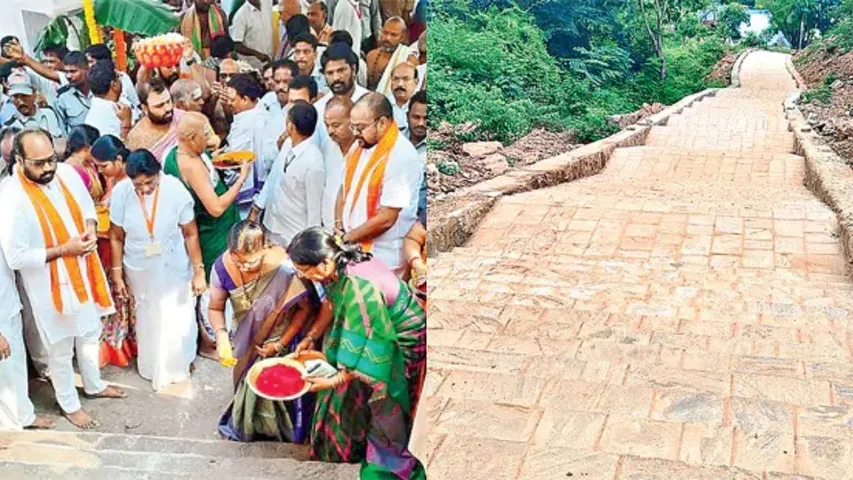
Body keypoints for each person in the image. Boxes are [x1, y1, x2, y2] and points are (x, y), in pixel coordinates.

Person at [0, 128, 126, 430]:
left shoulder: (66, 174)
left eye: (50, 161)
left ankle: (94, 385)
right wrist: (62, 250)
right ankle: (69, 404)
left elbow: (86, 208)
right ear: (20, 160)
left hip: (83, 268)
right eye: (38, 163)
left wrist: (90, 228)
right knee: (60, 347)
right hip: (48, 284)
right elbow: (15, 257)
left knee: (88, 333)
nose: (47, 169)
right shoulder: (10, 196)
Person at [287, 227, 425, 479]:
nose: (303, 275)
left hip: (399, 340)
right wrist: (311, 337)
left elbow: (373, 345)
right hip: (379, 331)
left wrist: (335, 379)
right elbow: (331, 302)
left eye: (305, 270)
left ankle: (390, 470)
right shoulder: (341, 262)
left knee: (386, 411)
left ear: (325, 261)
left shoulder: (358, 286)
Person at [212, 220, 318, 443]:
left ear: (265, 249)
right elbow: (215, 307)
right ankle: (252, 430)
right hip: (244, 341)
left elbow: (305, 309)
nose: (243, 268)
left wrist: (279, 344)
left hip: (282, 342)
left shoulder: (286, 269)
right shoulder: (221, 268)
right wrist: (221, 337)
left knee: (282, 394)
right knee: (247, 394)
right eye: (237, 261)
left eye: (250, 263)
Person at [109, 150, 206, 391]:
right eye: (138, 185)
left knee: (176, 313)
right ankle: (152, 366)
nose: (143, 189)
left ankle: (178, 364)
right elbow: (116, 237)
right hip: (139, 265)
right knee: (149, 316)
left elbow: (191, 233)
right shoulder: (121, 192)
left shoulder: (175, 190)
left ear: (158, 174)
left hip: (171, 262)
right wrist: (117, 273)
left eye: (149, 183)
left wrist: (198, 271)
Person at [163, 112, 246, 357]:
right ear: (190, 138)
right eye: (205, 134)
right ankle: (211, 343)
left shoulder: (181, 152)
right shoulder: (191, 164)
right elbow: (216, 207)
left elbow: (208, 144)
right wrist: (240, 180)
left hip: (216, 231)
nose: (210, 138)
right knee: (215, 288)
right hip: (211, 233)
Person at [336, 93, 422, 277]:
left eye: (360, 127)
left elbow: (387, 218)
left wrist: (345, 239)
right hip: (353, 248)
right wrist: (338, 225)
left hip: (384, 257)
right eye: (353, 126)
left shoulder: (401, 155)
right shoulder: (359, 146)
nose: (355, 133)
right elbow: (344, 189)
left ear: (382, 122)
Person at [0, 225, 55, 431]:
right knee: (4, 377)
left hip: (8, 305)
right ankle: (10, 429)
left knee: (16, 367)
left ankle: (24, 416)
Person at [90, 135, 139, 368]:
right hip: (109, 245)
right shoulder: (115, 179)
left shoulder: (130, 183)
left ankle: (119, 344)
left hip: (120, 248)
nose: (101, 171)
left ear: (119, 159)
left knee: (120, 296)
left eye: (103, 166)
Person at [251, 101, 324, 247]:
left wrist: (309, 246)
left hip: (293, 235)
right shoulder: (287, 144)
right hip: (271, 224)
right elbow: (273, 177)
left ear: (290, 126)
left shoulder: (314, 162)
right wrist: (256, 209)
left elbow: (314, 210)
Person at [223, 74, 278, 215]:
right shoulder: (257, 115)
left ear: (246, 100)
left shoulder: (252, 121)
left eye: (232, 100)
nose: (228, 103)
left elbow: (235, 160)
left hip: (250, 191)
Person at [314, 43, 369, 147]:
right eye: (330, 73)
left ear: (353, 69)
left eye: (341, 71)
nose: (336, 78)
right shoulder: (318, 108)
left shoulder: (370, 104)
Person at [127, 78, 185, 162]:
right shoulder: (136, 138)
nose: (168, 108)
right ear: (145, 108)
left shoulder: (184, 118)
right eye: (159, 106)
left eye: (168, 101)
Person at [2, 71, 66, 144]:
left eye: (24, 96)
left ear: (34, 94)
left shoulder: (50, 114)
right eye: (15, 97)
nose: (20, 101)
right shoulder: (9, 126)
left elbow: (63, 140)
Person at [320, 96, 355, 228]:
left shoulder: (363, 148)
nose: (330, 131)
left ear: (352, 122)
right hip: (327, 227)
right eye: (326, 125)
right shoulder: (327, 144)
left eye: (335, 125)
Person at [85, 44, 143, 122]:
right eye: (87, 62)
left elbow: (136, 103)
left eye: (91, 61)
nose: (89, 65)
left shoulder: (123, 77)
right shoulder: (90, 82)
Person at [84, 60, 132, 140]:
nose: (121, 80)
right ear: (114, 85)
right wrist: (126, 123)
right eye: (118, 77)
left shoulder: (99, 109)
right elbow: (119, 149)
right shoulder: (107, 114)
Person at [366, 17, 413, 95]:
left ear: (402, 37)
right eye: (385, 33)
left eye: (393, 35)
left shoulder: (409, 58)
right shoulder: (371, 55)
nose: (387, 38)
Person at [55, 52, 93, 133]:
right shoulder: (63, 99)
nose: (68, 76)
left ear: (87, 70)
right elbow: (63, 132)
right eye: (66, 72)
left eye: (73, 71)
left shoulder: (101, 91)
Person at [230, 0, 274, 70]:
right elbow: (237, 45)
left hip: (269, 63)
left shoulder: (266, 4)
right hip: (252, 68)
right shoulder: (241, 16)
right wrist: (256, 54)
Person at [403, 90, 426, 222]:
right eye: (416, 117)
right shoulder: (393, 141)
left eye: (426, 118)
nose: (421, 123)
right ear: (407, 116)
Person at [387, 62, 417, 126]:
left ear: (416, 82)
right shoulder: (382, 105)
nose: (400, 84)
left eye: (406, 79)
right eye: (396, 79)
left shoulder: (421, 106)